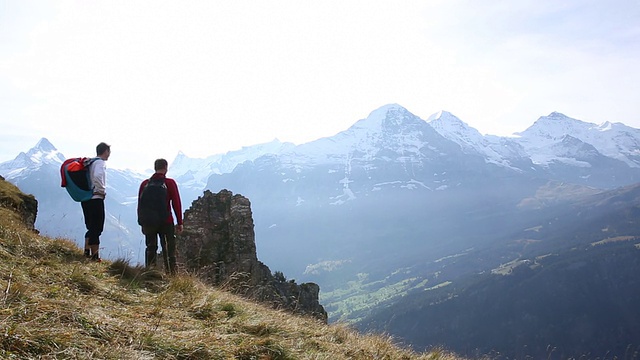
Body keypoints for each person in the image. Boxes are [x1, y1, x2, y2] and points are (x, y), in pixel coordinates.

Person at [137, 158, 183, 274]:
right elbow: (176, 203)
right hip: (166, 221)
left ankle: (150, 274)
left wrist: (142, 222)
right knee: (168, 249)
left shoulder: (145, 184)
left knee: (151, 248)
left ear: (155, 168)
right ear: (166, 168)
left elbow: (140, 204)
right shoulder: (170, 183)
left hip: (149, 221)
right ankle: (171, 275)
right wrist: (180, 222)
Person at [82, 142, 110, 262]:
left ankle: (86, 251)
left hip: (86, 198)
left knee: (90, 225)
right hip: (96, 198)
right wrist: (101, 190)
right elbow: (98, 176)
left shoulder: (90, 163)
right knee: (97, 227)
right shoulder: (100, 163)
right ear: (106, 151)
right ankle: (95, 256)